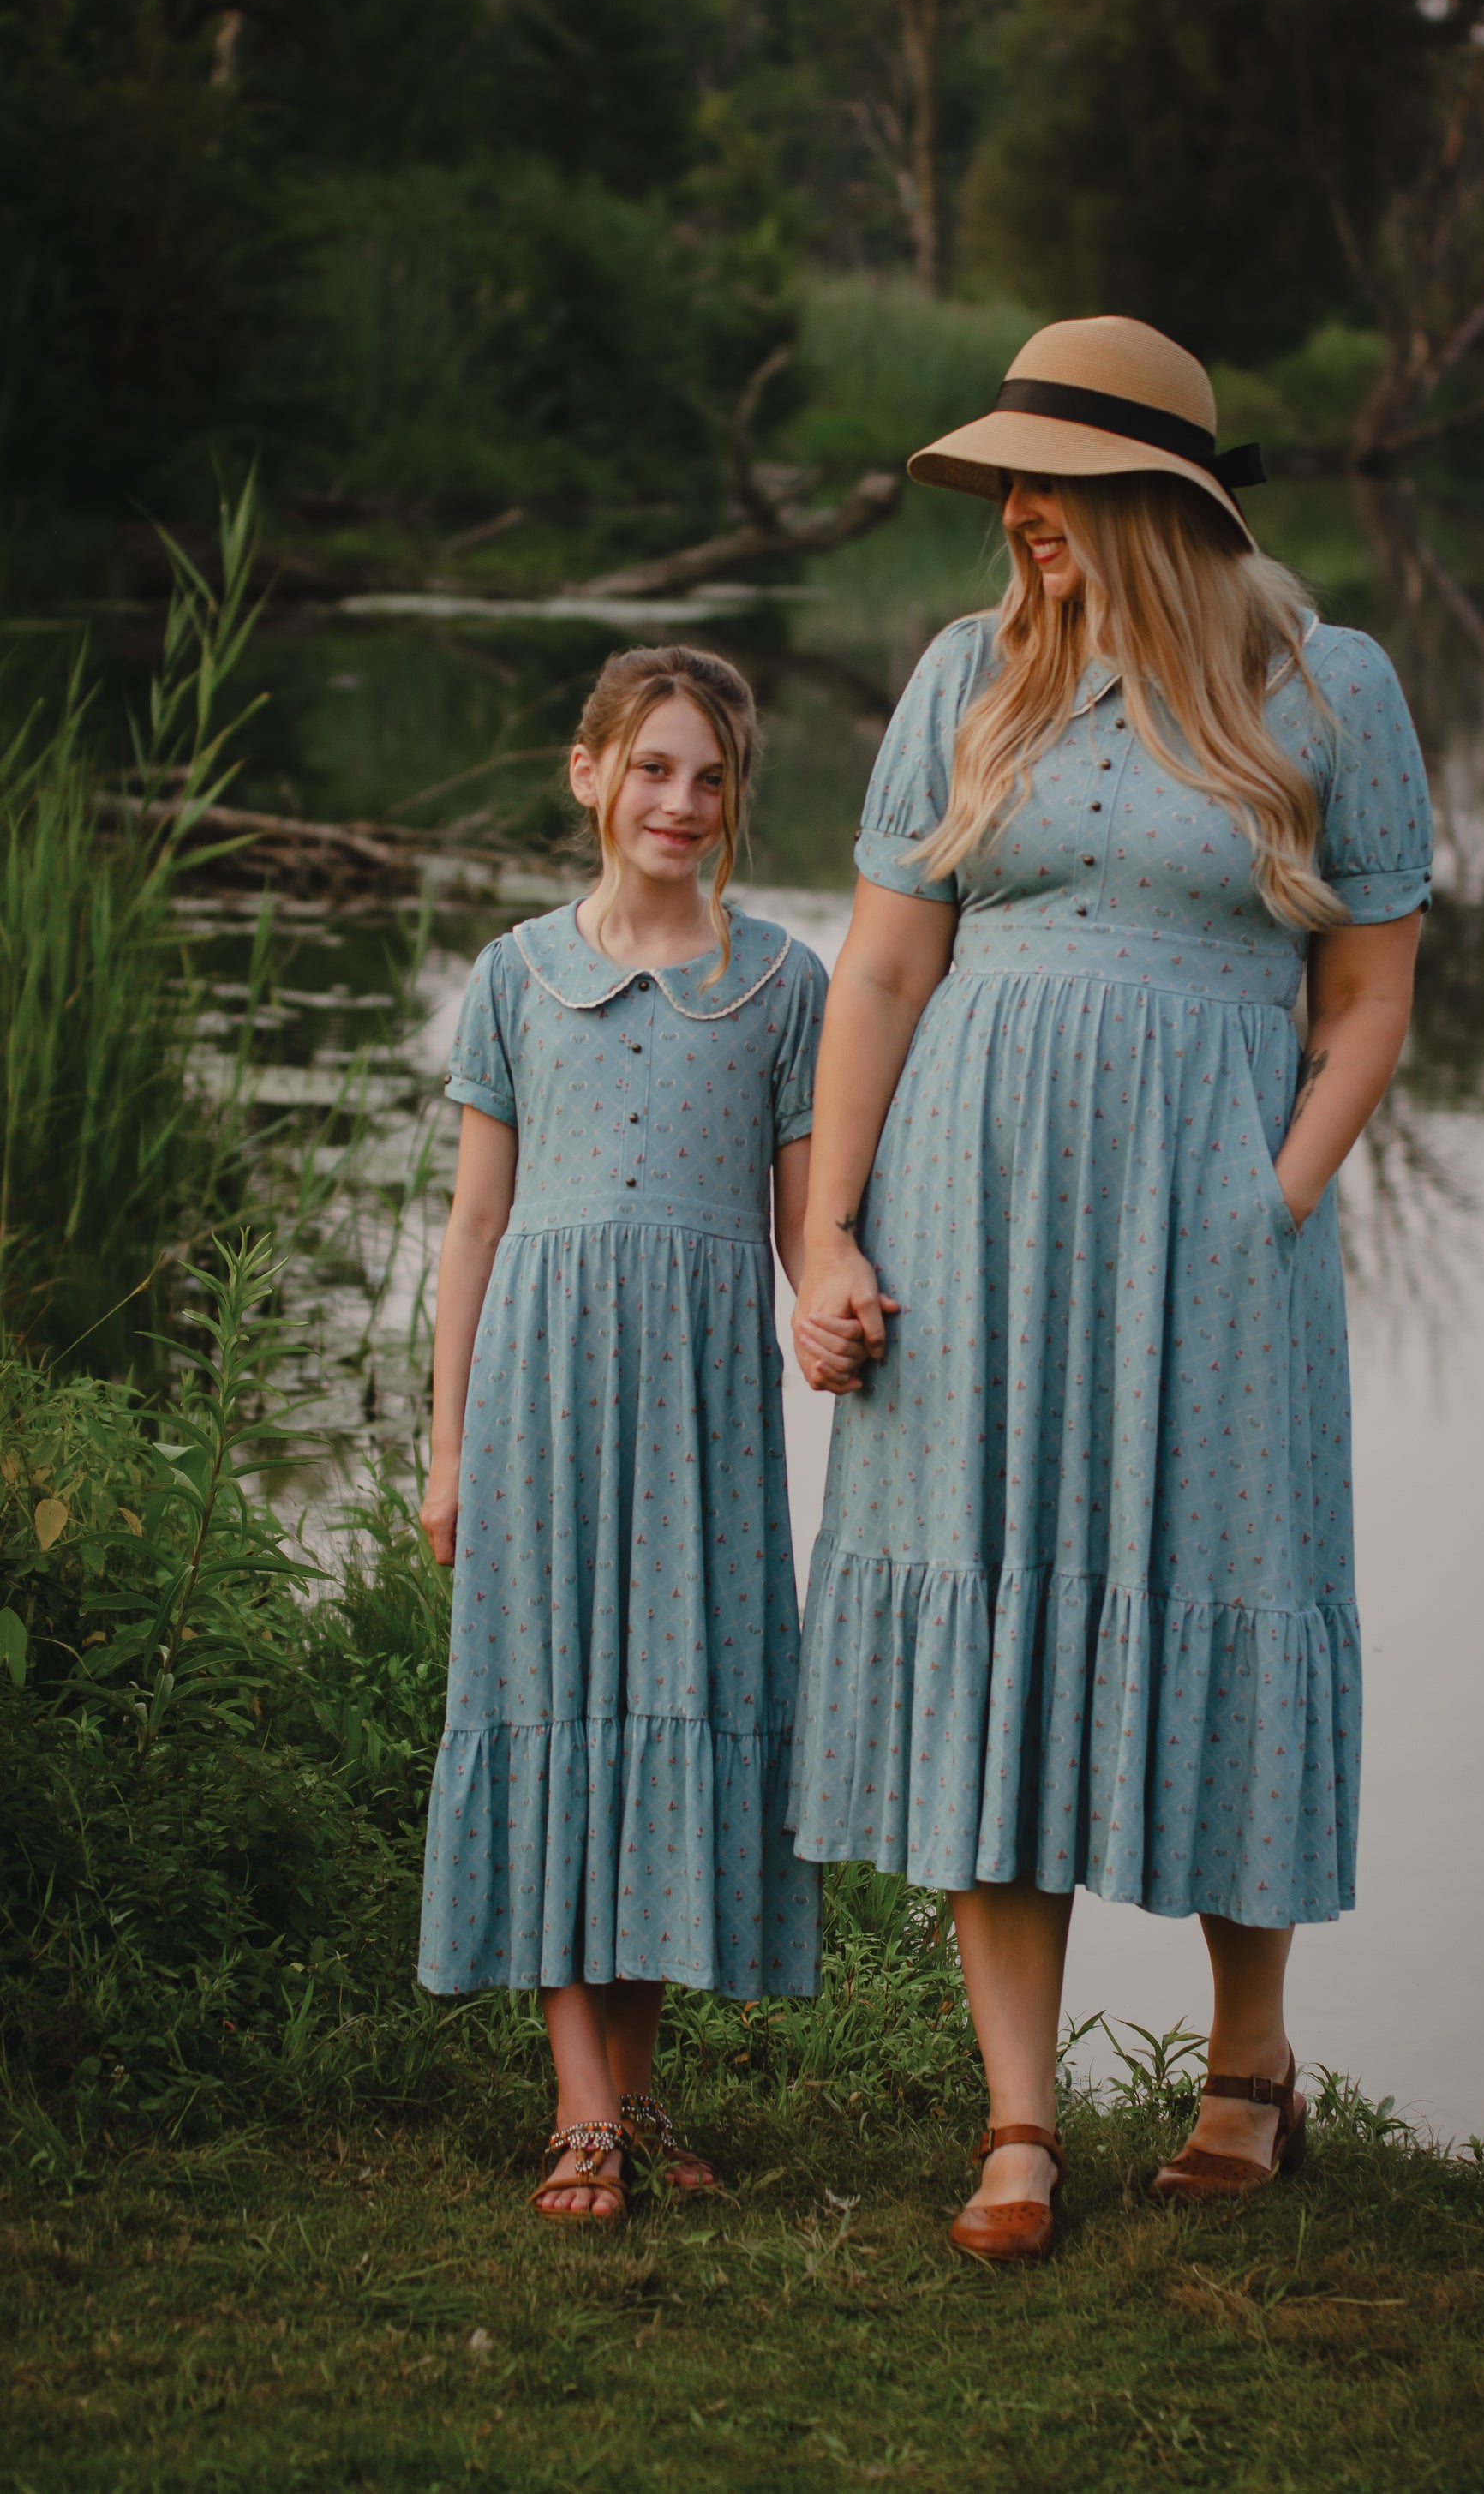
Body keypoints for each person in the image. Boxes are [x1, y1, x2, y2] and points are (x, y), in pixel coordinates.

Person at [789, 316, 1432, 2263]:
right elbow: (883, 972)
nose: (1014, 518)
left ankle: (1248, 2071)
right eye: (1003, 486)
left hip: (1214, 1225)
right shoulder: (966, 677)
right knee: (991, 1614)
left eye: (1044, 487)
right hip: (971, 1216)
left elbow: (1372, 997)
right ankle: (1016, 2119)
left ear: (1152, 497)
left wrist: (1274, 1198)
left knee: (1225, 1584)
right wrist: (830, 1224)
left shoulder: (1327, 687)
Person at [416, 644, 826, 2224]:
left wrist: (855, 1321)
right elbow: (472, 1225)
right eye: (650, 766)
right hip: (543, 1390)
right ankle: (577, 2106)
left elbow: (807, 1237)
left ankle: (633, 2089)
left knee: (670, 1706)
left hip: (703, 1411)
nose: (680, 799)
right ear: (587, 774)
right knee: (547, 1699)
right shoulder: (517, 973)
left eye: (709, 776)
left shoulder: (781, 982)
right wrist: (449, 1447)